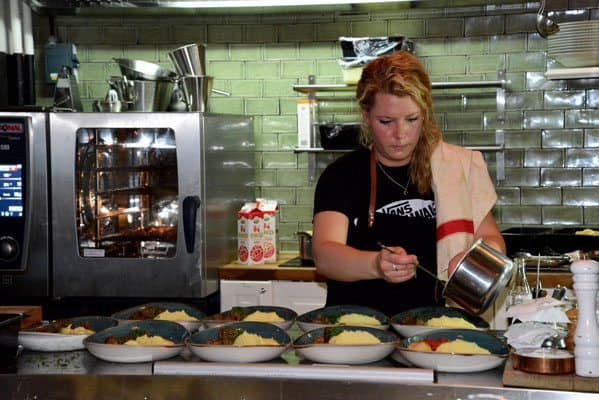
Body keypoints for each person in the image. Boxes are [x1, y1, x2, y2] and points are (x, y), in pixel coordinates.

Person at [311, 51, 506, 318]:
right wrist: (376, 265)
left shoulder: (454, 169)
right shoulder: (342, 175)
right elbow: (325, 256)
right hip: (356, 333)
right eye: (386, 122)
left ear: (424, 114)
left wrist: (475, 260)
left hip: (432, 332)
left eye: (411, 120)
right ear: (366, 115)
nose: (400, 135)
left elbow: (493, 239)